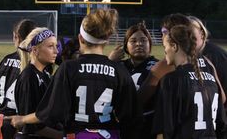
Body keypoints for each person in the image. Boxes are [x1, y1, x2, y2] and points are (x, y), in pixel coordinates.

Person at [8, 9, 140, 139]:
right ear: (107, 40)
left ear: (80, 38)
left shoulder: (68, 68)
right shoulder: (119, 70)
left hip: (76, 134)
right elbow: (131, 117)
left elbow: (51, 111)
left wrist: (24, 119)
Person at [152, 25, 227, 139]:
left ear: (174, 46)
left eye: (165, 46)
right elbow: (221, 123)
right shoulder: (210, 78)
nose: (165, 51)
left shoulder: (171, 79)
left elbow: (164, 128)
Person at [109, 22, 159, 139]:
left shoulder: (158, 66)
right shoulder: (118, 66)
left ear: (150, 44)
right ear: (126, 46)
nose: (139, 44)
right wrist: (110, 61)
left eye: (143, 40)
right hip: (121, 125)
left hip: (148, 125)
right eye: (133, 41)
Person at [0, 19, 37, 139]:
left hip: (1, 121)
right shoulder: (35, 64)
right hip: (22, 122)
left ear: (16, 37)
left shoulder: (5, 60)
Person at [14, 27, 61, 139]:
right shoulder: (29, 77)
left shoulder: (44, 74)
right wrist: (62, 136)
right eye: (50, 46)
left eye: (56, 46)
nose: (56, 51)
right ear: (35, 50)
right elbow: (30, 126)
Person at [188, 16, 227, 99]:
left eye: (191, 33)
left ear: (202, 33)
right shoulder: (185, 55)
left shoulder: (218, 56)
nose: (188, 38)